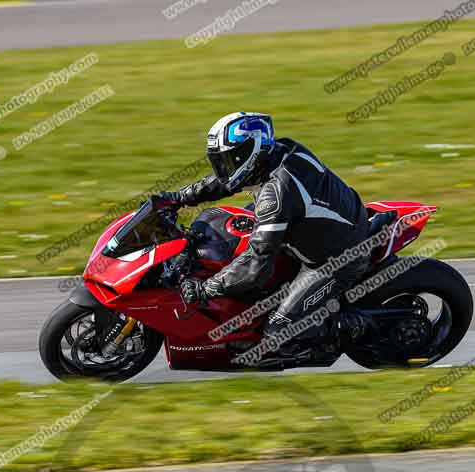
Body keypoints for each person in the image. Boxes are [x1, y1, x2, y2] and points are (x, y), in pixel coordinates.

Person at [154, 112, 370, 360]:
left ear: (254, 151)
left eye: (232, 159)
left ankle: (350, 327)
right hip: (306, 228)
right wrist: (180, 198)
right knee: (221, 229)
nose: (226, 166)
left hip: (337, 257)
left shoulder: (276, 194)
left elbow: (256, 266)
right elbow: (227, 181)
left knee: (279, 330)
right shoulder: (278, 152)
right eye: (222, 160)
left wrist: (205, 289)